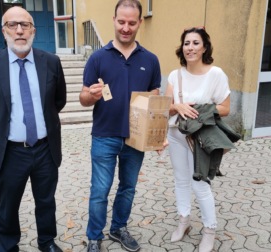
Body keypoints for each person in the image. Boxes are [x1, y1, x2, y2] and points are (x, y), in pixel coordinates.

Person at [0, 6, 66, 252]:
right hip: (10, 151)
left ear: (33, 30)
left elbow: (58, 100)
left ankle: (47, 241)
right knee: (8, 203)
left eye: (25, 25)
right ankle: (9, 244)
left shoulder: (51, 61)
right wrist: (0, 125)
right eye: (13, 25)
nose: (19, 30)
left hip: (45, 149)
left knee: (46, 201)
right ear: (4, 30)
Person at [79, 0, 161, 251]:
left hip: (135, 139)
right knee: (100, 190)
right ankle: (94, 237)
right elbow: (83, 99)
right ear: (114, 20)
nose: (126, 27)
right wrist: (91, 96)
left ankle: (118, 228)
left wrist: (158, 133)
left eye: (131, 23)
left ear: (139, 23)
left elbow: (155, 98)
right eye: (121, 21)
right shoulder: (97, 58)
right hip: (104, 135)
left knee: (128, 188)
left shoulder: (151, 59)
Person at [164, 27, 231, 252]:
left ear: (204, 47)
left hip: (200, 137)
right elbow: (166, 107)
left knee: (199, 183)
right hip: (175, 135)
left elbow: (225, 108)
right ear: (181, 48)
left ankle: (209, 230)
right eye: (186, 43)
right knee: (180, 179)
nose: (190, 48)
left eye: (195, 43)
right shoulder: (176, 75)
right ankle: (184, 221)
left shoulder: (216, 74)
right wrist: (177, 106)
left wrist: (201, 109)